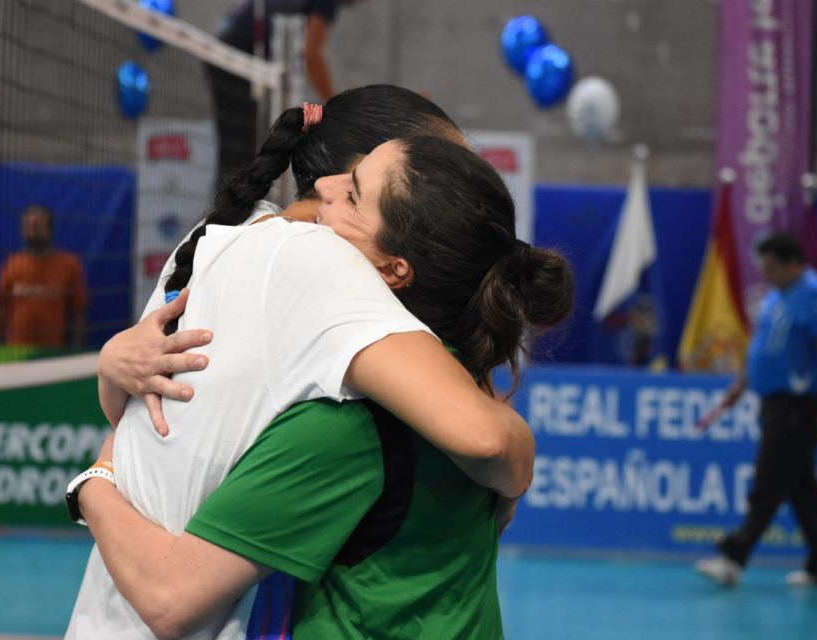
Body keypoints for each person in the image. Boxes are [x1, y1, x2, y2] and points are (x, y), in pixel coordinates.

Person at [66, 88, 571, 638]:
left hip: (106, 606)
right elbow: (488, 440)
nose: (330, 190)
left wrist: (98, 451)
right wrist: (519, 464)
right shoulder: (325, 269)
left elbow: (129, 419)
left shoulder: (220, 232)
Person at [695, 232, 817, 588]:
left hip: (799, 406)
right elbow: (765, 348)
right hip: (773, 403)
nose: (766, 274)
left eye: (772, 267)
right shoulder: (776, 297)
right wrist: (740, 386)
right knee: (802, 487)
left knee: (769, 481)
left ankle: (733, 557)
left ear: (793, 263)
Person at [207, 0, 357, 175]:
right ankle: (233, 199)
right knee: (241, 145)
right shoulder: (326, 3)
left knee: (240, 145)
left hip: (231, 52)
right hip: (234, 59)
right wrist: (336, 102)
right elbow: (311, 55)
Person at [0, 204, 88, 349]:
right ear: (22, 230)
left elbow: (79, 310)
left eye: (38, 226)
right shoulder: (12, 264)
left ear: (49, 229)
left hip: (53, 352)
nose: (33, 231)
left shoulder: (69, 265)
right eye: (29, 226)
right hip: (16, 351)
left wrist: (77, 348)